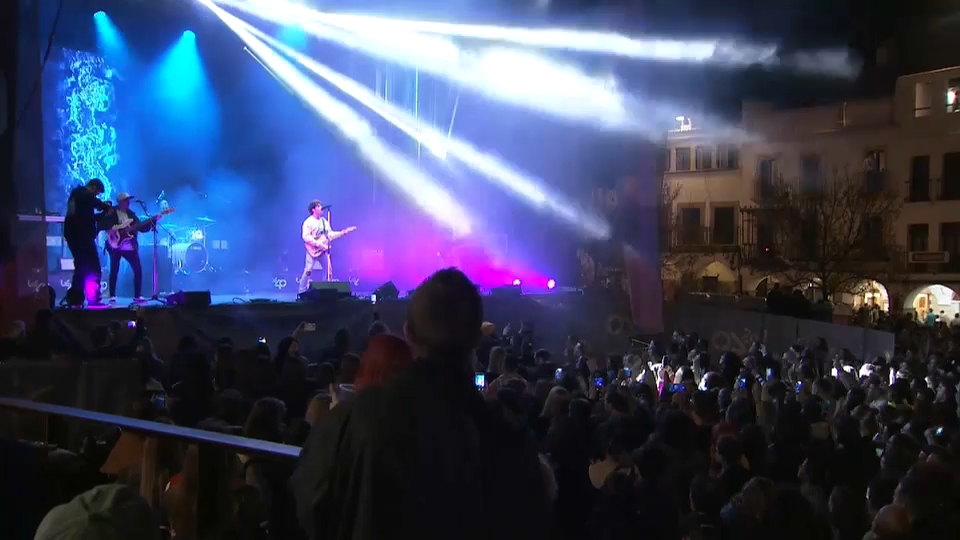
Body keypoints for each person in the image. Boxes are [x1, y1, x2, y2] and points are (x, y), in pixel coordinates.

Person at [291, 268, 548, 540]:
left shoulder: (352, 420)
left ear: (408, 334)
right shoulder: (509, 440)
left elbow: (308, 505)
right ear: (477, 336)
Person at [63, 178, 113, 305]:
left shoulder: (80, 199)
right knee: (93, 267)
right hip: (80, 237)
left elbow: (88, 218)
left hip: (79, 236)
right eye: (97, 193)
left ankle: (76, 299)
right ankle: (93, 298)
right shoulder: (81, 193)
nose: (96, 195)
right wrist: (104, 206)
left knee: (81, 267)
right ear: (94, 187)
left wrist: (103, 214)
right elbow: (92, 201)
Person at [103, 193, 159, 303]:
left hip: (129, 246)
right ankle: (112, 295)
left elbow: (141, 228)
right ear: (120, 202)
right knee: (114, 270)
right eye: (125, 201)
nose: (128, 203)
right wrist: (114, 232)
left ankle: (137, 296)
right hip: (115, 245)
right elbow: (105, 225)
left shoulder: (131, 215)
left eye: (128, 201)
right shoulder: (112, 212)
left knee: (138, 269)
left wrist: (152, 222)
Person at [298, 200, 356, 293]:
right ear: (313, 209)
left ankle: (325, 289)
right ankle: (301, 291)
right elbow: (305, 237)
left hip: (322, 250)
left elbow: (330, 235)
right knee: (308, 270)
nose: (321, 207)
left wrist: (343, 232)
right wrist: (318, 244)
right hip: (312, 250)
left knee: (328, 270)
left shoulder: (324, 222)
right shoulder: (308, 222)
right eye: (318, 206)